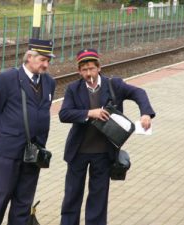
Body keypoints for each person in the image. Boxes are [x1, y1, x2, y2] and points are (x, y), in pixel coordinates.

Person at [59, 48, 155, 225]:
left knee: (98, 198)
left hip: (103, 153)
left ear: (99, 68)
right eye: (84, 70)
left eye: (92, 69)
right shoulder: (73, 88)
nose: (89, 73)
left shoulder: (114, 85)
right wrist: (90, 113)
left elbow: (138, 93)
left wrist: (145, 113)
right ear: (79, 71)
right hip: (78, 151)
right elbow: (64, 114)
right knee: (72, 196)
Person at [0, 39, 56, 225]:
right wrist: (3, 135)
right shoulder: (8, 78)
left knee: (23, 203)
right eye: (43, 60)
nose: (46, 64)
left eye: (48, 60)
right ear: (29, 57)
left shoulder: (49, 82)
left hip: (34, 153)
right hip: (7, 151)